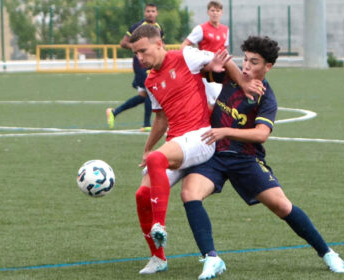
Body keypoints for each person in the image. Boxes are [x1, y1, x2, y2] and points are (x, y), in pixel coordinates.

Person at [180, 36, 344, 279]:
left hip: (245, 159)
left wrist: (226, 131)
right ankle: (211, 258)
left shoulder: (267, 98)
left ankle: (327, 252)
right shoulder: (231, 76)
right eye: (245, 60)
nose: (246, 66)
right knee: (189, 193)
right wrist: (213, 64)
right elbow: (202, 69)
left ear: (267, 67)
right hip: (213, 154)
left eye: (254, 62)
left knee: (282, 206)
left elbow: (261, 134)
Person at [128, 24, 262, 275]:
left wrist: (243, 84)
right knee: (141, 194)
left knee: (158, 159)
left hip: (201, 137)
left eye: (143, 51)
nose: (139, 58)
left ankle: (160, 224)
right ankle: (158, 257)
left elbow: (222, 60)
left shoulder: (185, 56)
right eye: (135, 54)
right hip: (178, 141)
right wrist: (147, 149)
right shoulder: (151, 80)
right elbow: (160, 119)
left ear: (159, 44)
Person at [106, 3, 163, 132]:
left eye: (153, 11)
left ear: (157, 13)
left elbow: (160, 45)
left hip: (152, 64)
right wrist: (138, 48)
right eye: (148, 11)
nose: (150, 13)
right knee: (151, 91)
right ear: (144, 13)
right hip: (140, 65)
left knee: (143, 96)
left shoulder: (159, 28)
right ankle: (146, 124)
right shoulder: (137, 27)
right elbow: (123, 42)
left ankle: (114, 112)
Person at [181, 0, 229, 107]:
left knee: (222, 100)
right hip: (208, 70)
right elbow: (185, 45)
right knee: (215, 101)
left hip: (220, 70)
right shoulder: (201, 29)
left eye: (218, 10)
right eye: (212, 10)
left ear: (221, 12)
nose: (215, 13)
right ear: (208, 12)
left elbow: (225, 48)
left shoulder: (225, 29)